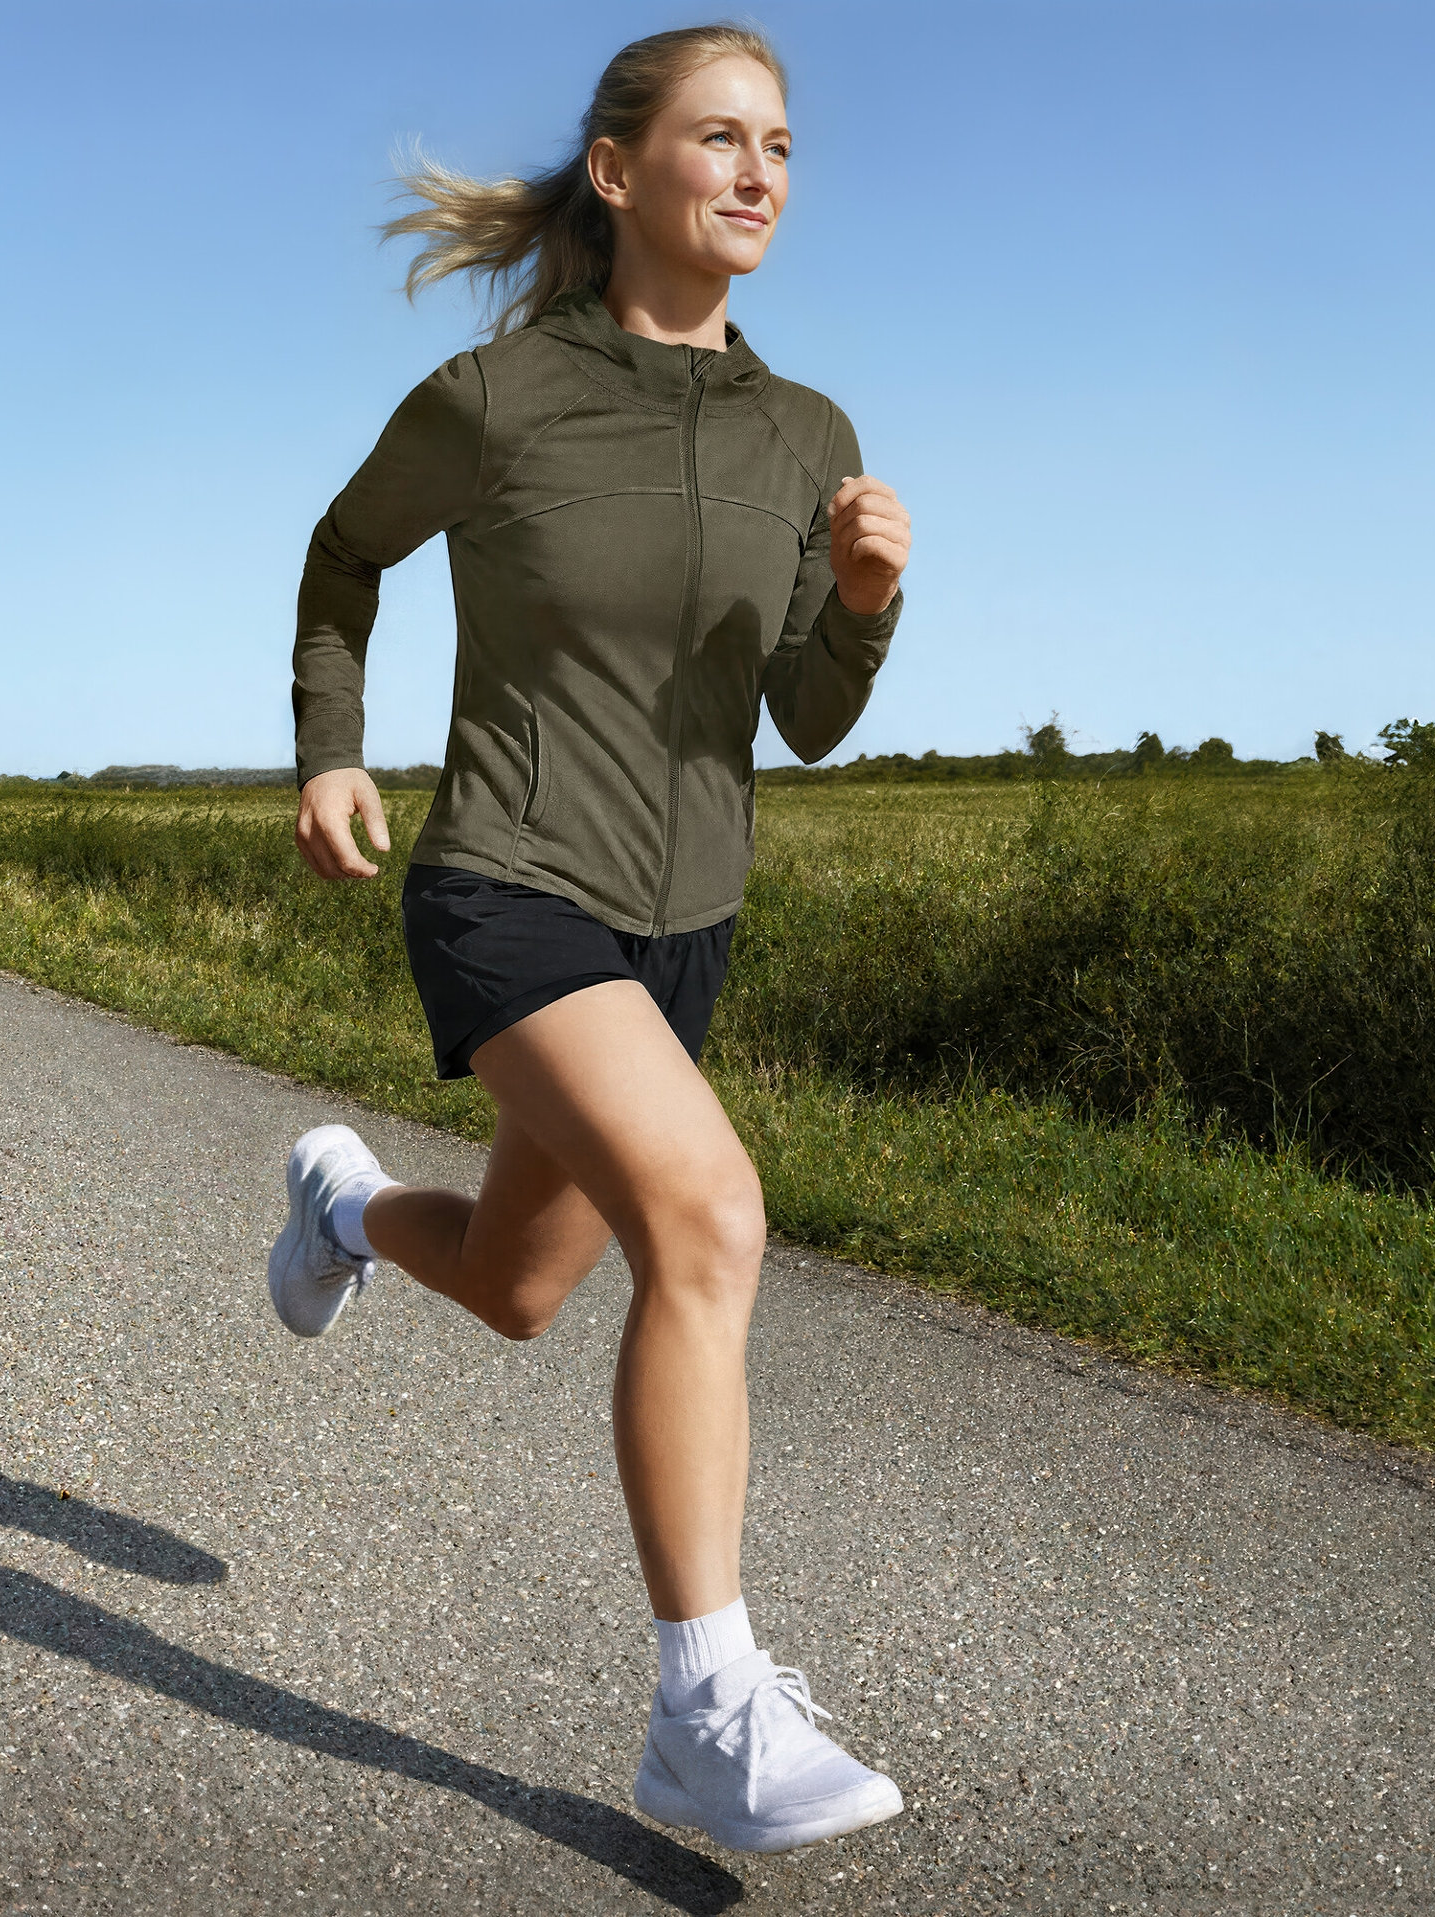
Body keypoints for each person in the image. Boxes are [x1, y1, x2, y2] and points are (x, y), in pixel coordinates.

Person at [270, 24, 912, 1855]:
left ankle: (339, 1207)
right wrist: (330, 750)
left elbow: (804, 716)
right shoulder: (499, 397)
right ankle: (704, 1710)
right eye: (721, 137)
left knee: (512, 1277)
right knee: (705, 1214)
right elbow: (341, 553)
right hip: (509, 882)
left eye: (781, 142)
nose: (762, 170)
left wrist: (860, 603)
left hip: (684, 923)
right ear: (621, 171)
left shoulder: (810, 437)